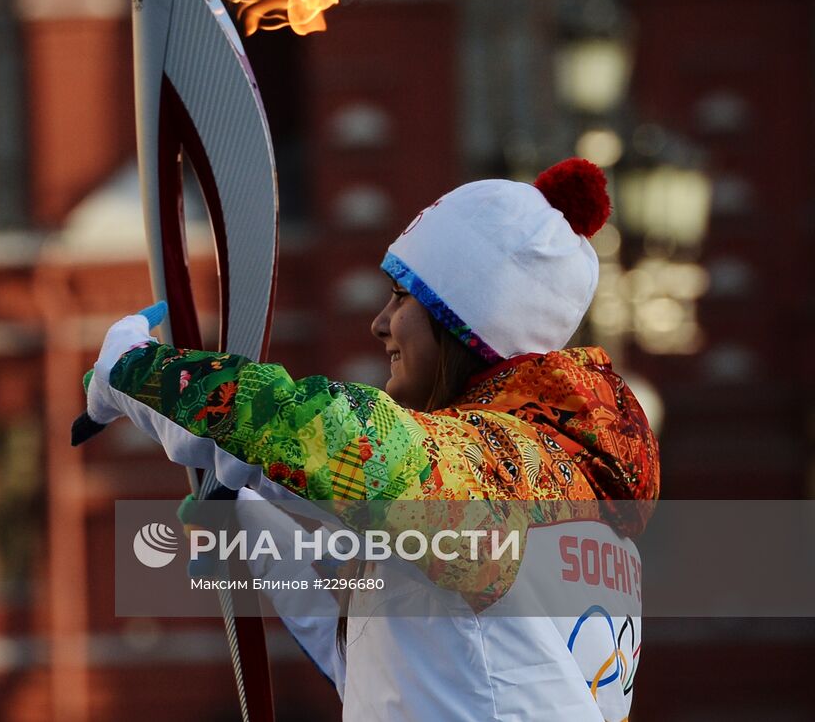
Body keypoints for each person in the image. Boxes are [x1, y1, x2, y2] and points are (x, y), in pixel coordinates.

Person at [82, 158, 659, 721]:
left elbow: (333, 436)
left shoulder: (502, 470)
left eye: (403, 295)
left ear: (463, 325)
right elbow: (410, 680)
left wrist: (139, 372)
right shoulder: (575, 510)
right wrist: (261, 528)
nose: (380, 322)